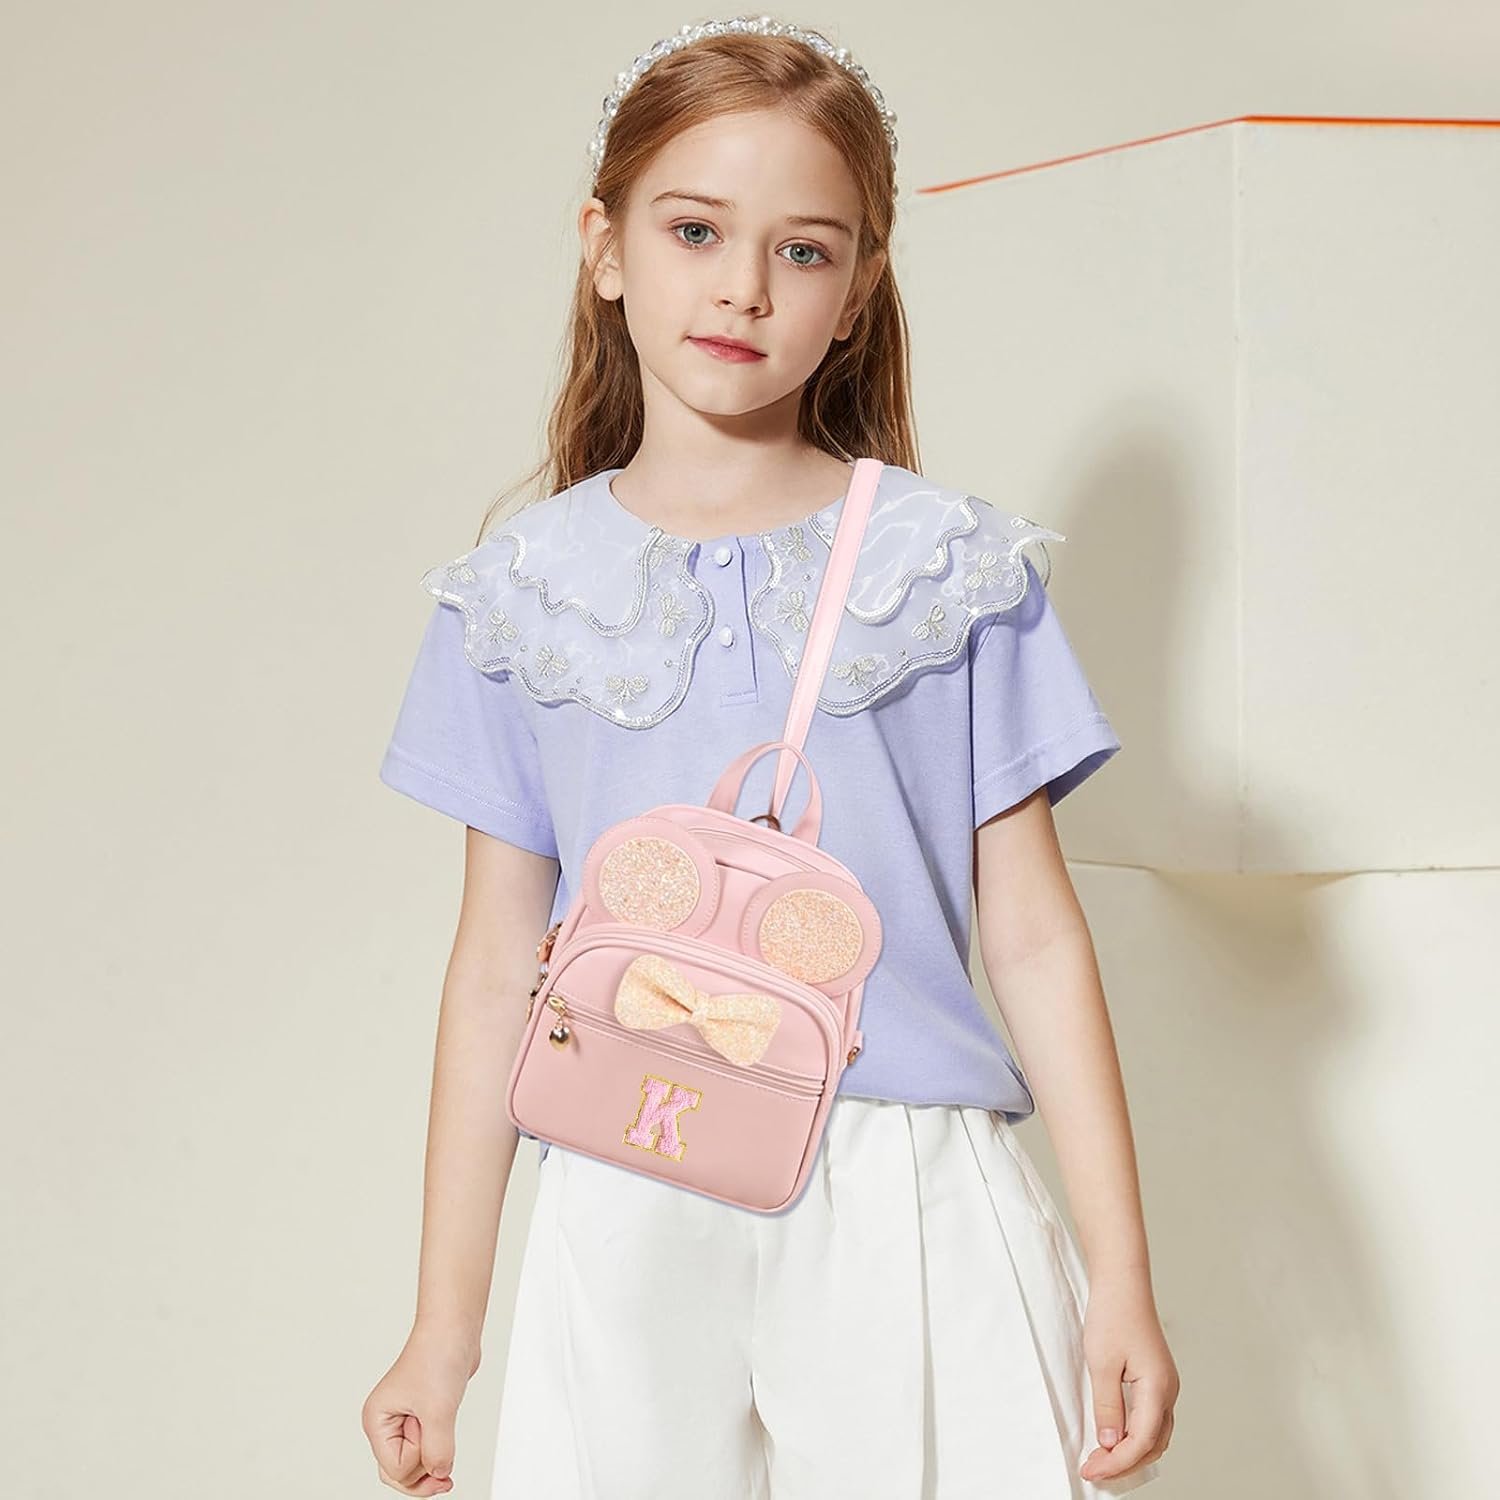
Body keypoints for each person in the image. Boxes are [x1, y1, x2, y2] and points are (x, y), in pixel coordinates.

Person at [360, 14, 1177, 1499]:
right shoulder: (514, 599)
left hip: (908, 1178)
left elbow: (1035, 934)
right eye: (695, 230)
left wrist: (1120, 1276)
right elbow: (494, 972)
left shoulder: (953, 570)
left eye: (804, 251)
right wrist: (444, 1329)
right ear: (605, 248)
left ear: (859, 292)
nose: (743, 285)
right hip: (623, 1175)